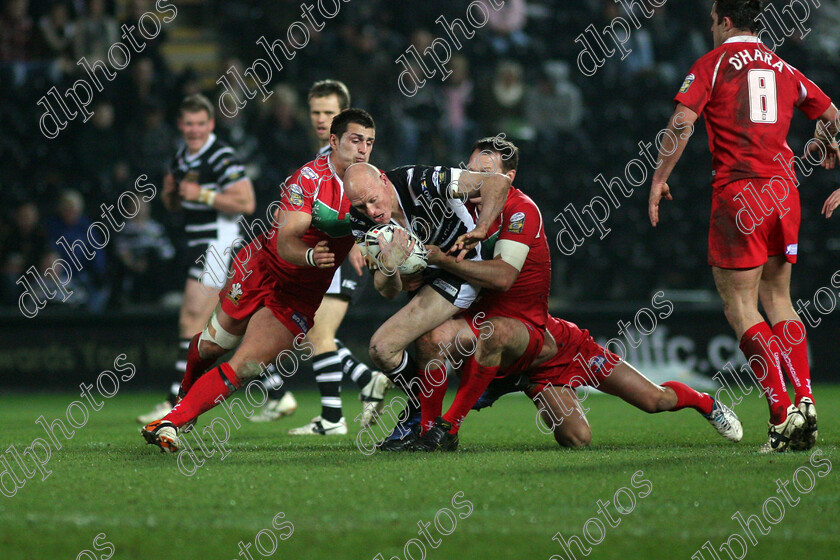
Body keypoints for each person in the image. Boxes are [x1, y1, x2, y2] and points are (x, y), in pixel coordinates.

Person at [647, 0, 840, 452]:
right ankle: (806, 399)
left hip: (740, 191)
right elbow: (834, 117)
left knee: (740, 304)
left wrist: (659, 178)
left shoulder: (713, 64)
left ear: (725, 21)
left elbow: (682, 121)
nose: (710, 27)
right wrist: (830, 143)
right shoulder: (783, 66)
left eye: (713, 20)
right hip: (784, 192)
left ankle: (780, 415)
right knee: (779, 297)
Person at [141, 109, 376, 452]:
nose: (363, 150)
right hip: (261, 269)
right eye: (356, 141)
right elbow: (286, 241)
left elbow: (389, 220)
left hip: (299, 295)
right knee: (211, 346)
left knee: (247, 365)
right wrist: (312, 255)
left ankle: (170, 422)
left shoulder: (374, 184)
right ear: (335, 141)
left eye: (369, 143)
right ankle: (183, 406)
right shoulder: (308, 179)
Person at [398, 137, 554, 451]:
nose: (475, 180)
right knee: (430, 335)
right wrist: (412, 269)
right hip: (477, 320)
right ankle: (428, 430)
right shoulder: (459, 206)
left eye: (485, 173)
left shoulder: (521, 209)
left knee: (580, 434)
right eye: (471, 172)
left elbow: (503, 278)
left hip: (522, 324)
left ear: (507, 178)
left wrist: (442, 260)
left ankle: (451, 425)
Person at [253, 80, 387, 433]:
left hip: (337, 256)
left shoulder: (356, 162)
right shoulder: (319, 160)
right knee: (310, 332)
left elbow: (366, 202)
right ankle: (358, 385)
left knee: (315, 332)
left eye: (328, 113)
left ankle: (334, 415)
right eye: (315, 112)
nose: (320, 119)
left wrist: (360, 240)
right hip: (323, 254)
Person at [343, 158, 512, 434]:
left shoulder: (418, 180)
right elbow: (388, 291)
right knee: (382, 350)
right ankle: (423, 406)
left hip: (461, 268)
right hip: (430, 278)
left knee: (397, 345)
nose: (371, 211)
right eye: (361, 206)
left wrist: (481, 228)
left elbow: (498, 182)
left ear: (384, 180)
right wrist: (389, 264)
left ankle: (420, 417)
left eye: (373, 200)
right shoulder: (360, 221)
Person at [137, 94, 255, 424]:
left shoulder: (221, 155)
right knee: (218, 325)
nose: (194, 130)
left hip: (219, 244)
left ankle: (174, 402)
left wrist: (202, 193)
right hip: (203, 243)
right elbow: (174, 203)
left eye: (201, 123)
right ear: (180, 124)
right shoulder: (180, 156)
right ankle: (274, 388)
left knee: (191, 321)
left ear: (211, 124)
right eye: (189, 123)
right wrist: (173, 194)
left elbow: (246, 201)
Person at [473, 314, 743, 448]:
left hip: (573, 349)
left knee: (655, 401)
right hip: (537, 373)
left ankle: (704, 402)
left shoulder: (508, 274)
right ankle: (524, 383)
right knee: (578, 439)